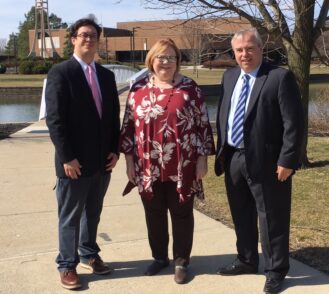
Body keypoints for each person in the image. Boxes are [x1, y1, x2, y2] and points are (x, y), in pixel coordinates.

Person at [215, 28, 304, 294]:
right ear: (234, 52)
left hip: (268, 161)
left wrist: (288, 159)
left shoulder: (279, 77)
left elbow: (294, 123)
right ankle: (246, 259)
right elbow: (224, 114)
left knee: (272, 218)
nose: (245, 54)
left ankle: (276, 269)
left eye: (250, 49)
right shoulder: (229, 76)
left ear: (261, 49)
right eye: (239, 50)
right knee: (241, 214)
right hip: (233, 156)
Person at [119, 38, 215, 284]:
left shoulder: (190, 88)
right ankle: (159, 257)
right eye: (161, 57)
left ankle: (181, 261)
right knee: (154, 212)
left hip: (183, 164)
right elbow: (128, 127)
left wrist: (202, 160)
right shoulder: (138, 89)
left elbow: (203, 125)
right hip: (146, 165)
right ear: (151, 60)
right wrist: (130, 163)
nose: (166, 62)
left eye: (171, 57)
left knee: (182, 213)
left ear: (177, 61)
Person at [45, 17, 120, 290]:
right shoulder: (60, 73)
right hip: (72, 163)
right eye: (84, 35)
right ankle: (67, 264)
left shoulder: (106, 75)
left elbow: (113, 117)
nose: (89, 39)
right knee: (70, 217)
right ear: (74, 39)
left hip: (102, 161)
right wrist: (67, 157)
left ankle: (89, 253)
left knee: (93, 213)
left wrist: (115, 150)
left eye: (94, 36)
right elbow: (55, 120)